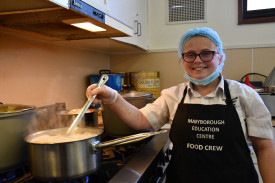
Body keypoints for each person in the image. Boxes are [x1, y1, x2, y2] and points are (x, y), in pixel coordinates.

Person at [86, 27, 275, 183]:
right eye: (190, 55)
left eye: (206, 53)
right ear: (183, 59)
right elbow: (141, 121)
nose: (198, 60)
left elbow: (265, 147)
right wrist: (113, 98)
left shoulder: (245, 95)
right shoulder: (172, 95)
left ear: (220, 56)